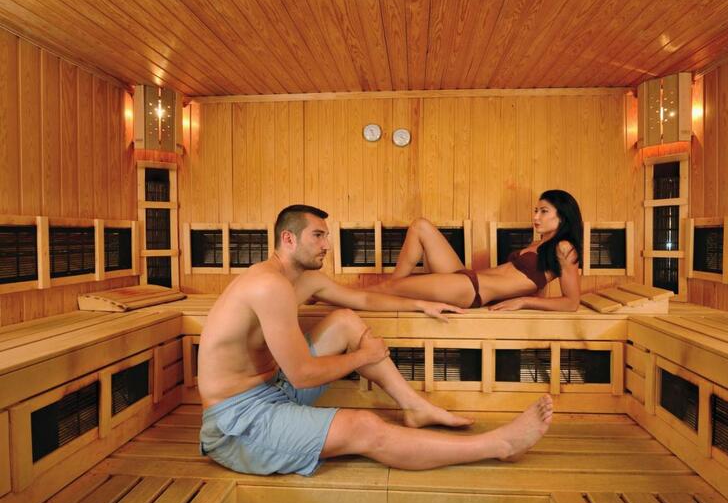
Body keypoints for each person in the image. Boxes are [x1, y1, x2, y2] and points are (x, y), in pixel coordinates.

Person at [198, 204, 553, 476]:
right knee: (364, 426)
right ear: (288, 239)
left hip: (272, 388)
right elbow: (302, 375)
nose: (327, 245)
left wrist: (421, 304)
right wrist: (363, 356)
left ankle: (414, 407)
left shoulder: (302, 280)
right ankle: (498, 445)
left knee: (344, 321)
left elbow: (364, 298)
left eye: (326, 236)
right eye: (317, 236)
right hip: (239, 422)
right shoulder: (268, 285)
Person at [370, 189, 583, 312]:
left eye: (544, 211)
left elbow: (571, 302)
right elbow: (530, 281)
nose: (536, 217)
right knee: (420, 226)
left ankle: (386, 292)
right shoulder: (539, 244)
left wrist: (523, 301)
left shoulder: (565, 248)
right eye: (536, 211)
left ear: (563, 216)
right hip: (467, 279)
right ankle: (392, 291)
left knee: (388, 287)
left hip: (472, 290)